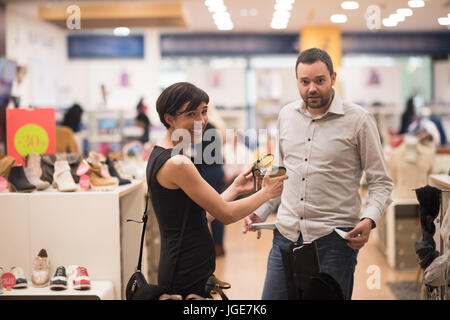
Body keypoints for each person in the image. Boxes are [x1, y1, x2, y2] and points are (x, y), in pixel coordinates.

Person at [243, 48, 394, 300]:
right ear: (297, 81)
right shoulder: (286, 116)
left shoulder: (358, 120)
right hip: (286, 235)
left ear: (333, 77)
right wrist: (259, 209)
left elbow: (381, 181)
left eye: (319, 80)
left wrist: (369, 219)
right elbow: (279, 176)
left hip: (334, 241)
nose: (312, 88)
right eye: (305, 82)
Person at [146, 82, 288, 298]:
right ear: (169, 119)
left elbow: (197, 219)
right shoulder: (178, 163)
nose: (201, 121)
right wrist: (266, 193)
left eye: (203, 112)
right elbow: (227, 214)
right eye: (191, 114)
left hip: (184, 267)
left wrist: (235, 189)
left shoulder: (162, 154)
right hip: (185, 272)